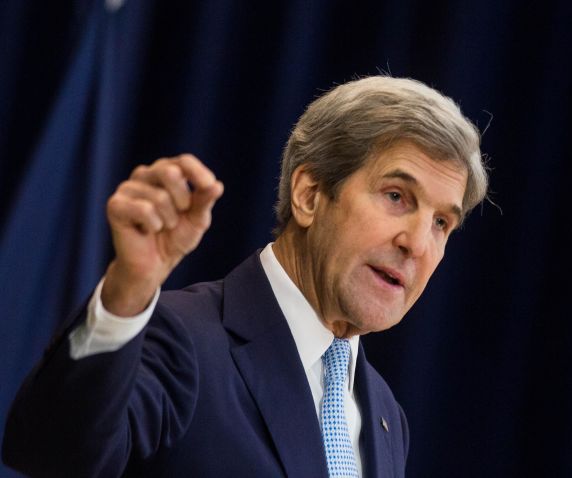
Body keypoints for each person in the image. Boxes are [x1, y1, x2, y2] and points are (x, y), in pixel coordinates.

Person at [2, 76, 488, 477]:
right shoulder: (180, 340)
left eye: (441, 223)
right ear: (310, 195)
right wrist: (128, 290)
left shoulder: (387, 417)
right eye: (397, 196)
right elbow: (54, 455)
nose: (418, 244)